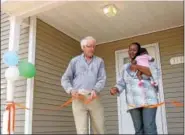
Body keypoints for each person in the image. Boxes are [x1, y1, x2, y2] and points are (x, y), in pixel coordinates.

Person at [110, 42, 160, 134]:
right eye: (130, 50)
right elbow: (121, 83)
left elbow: (154, 74)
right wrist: (116, 88)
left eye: (134, 50)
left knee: (149, 128)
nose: (131, 52)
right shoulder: (125, 67)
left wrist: (137, 65)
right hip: (133, 101)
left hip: (149, 100)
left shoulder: (149, 63)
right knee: (138, 130)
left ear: (139, 51)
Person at [61, 36, 106, 134]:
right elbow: (65, 78)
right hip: (78, 98)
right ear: (83, 47)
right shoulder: (74, 61)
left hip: (94, 96)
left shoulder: (99, 61)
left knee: (100, 129)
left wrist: (96, 90)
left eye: (94, 46)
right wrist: (71, 90)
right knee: (81, 131)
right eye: (89, 46)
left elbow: (102, 79)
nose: (92, 49)